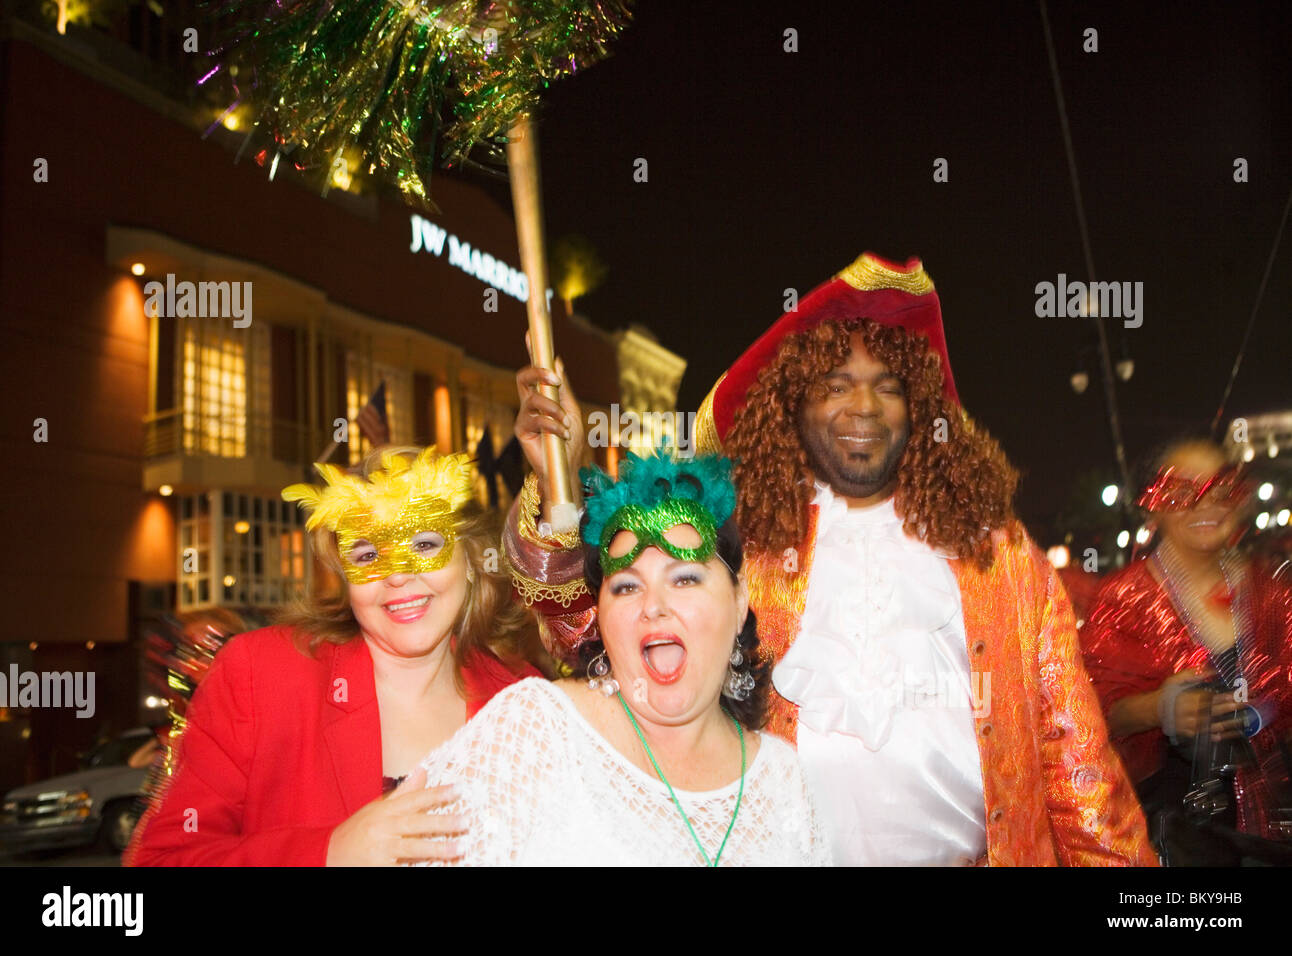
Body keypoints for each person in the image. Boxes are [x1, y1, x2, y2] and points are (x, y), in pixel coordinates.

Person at [507, 252, 1155, 865]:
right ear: (793, 400)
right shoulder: (736, 545)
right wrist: (561, 486)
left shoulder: (1000, 556)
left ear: (918, 404)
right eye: (836, 384)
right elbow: (594, 641)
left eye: (887, 386)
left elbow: (1079, 771)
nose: (863, 407)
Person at [125, 445, 538, 866]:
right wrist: (328, 854)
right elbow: (160, 859)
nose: (396, 575)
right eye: (367, 555)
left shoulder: (521, 703)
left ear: (469, 559)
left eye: (425, 543)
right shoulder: (258, 675)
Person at [412, 450, 829, 865]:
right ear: (601, 619)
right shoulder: (538, 730)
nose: (654, 605)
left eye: (685, 578)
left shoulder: (783, 780)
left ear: (739, 602)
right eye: (627, 587)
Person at [1081, 437, 1292, 864]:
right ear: (1153, 504)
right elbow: (1087, 715)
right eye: (1181, 493)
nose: (1205, 506)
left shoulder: (1273, 595)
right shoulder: (1124, 599)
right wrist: (1159, 708)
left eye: (1220, 492)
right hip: (1180, 838)